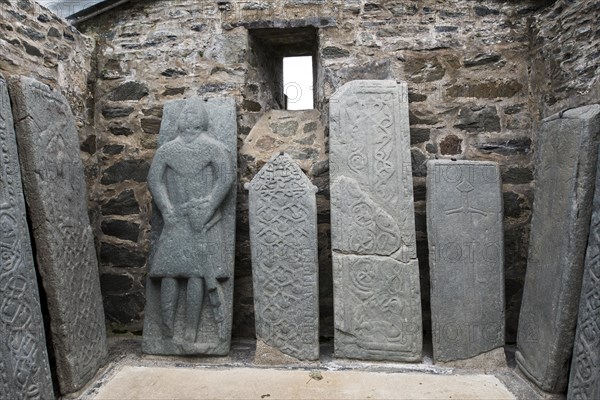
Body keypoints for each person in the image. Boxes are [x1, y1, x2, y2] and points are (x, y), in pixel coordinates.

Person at [147, 101, 235, 343]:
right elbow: (155, 180)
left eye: (193, 112)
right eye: (185, 112)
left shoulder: (214, 148)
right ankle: (166, 330)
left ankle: (190, 332)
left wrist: (209, 205)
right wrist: (166, 208)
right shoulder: (167, 150)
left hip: (201, 219)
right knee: (169, 273)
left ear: (203, 120)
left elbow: (225, 177)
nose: (188, 116)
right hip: (176, 219)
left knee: (196, 276)